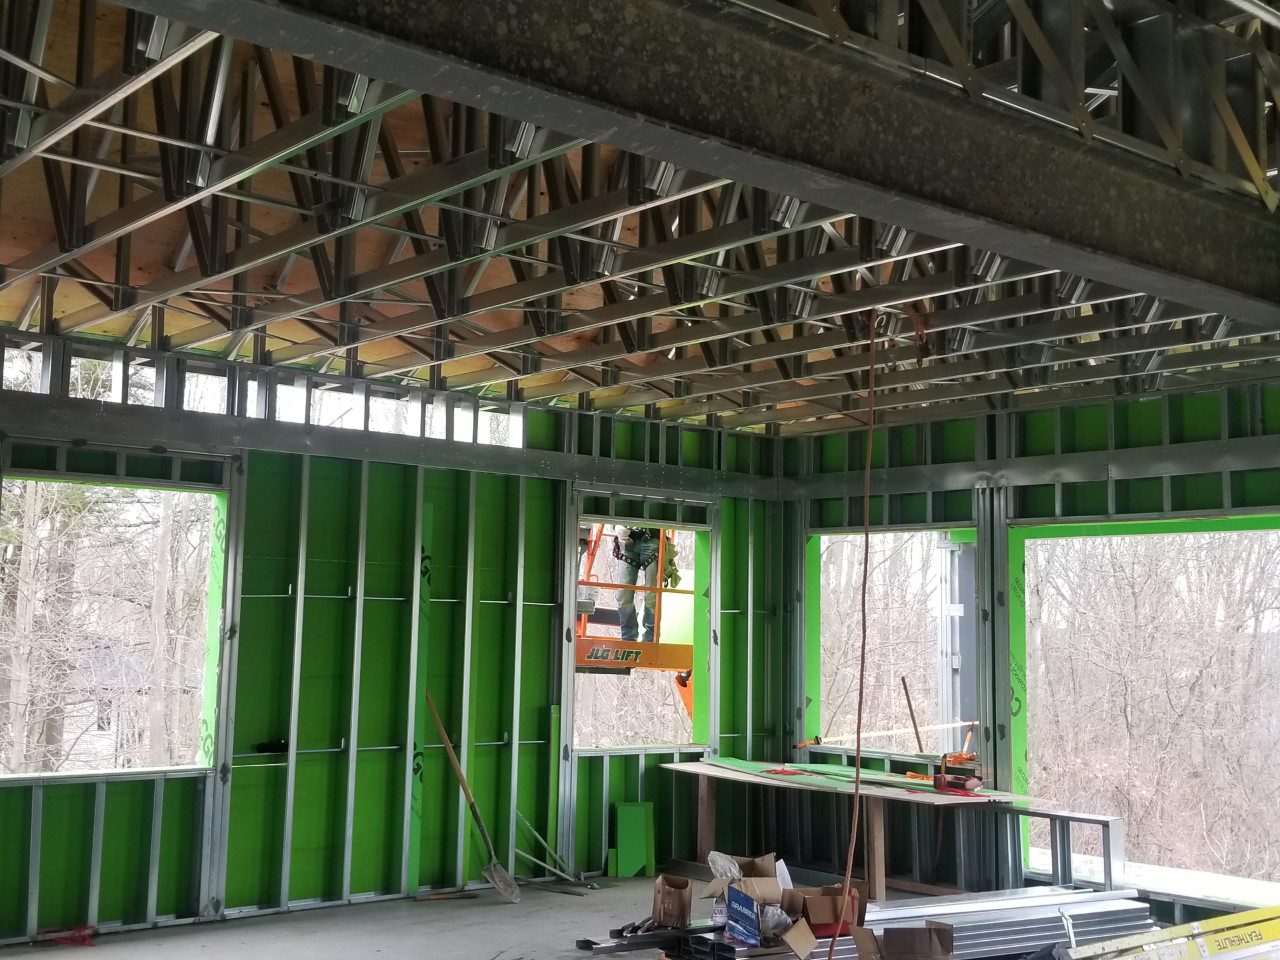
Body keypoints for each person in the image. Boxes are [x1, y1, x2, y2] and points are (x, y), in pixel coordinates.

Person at [616, 526, 660, 642]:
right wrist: (617, 528)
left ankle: (648, 639)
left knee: (651, 596)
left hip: (647, 537)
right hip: (630, 539)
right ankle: (630, 639)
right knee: (624, 595)